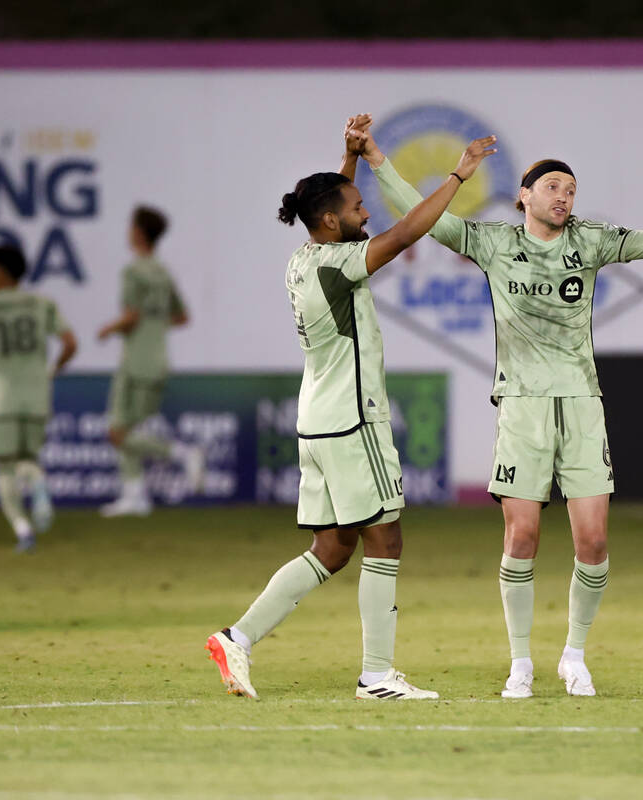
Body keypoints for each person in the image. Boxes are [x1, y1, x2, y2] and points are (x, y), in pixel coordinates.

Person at [355, 117, 643, 698]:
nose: (564, 197)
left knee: (593, 541)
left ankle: (574, 655)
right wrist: (375, 159)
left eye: (571, 190)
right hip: (521, 403)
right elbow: (425, 217)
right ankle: (520, 662)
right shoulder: (493, 243)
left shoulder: (588, 242)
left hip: (581, 402)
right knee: (521, 537)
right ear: (524, 195)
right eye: (553, 187)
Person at [205, 117, 497, 701]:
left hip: (317, 421)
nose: (368, 214)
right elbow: (410, 232)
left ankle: (236, 638)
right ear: (333, 221)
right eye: (359, 207)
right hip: (352, 421)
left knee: (333, 548)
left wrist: (350, 159)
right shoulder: (340, 265)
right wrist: (457, 177)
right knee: (385, 540)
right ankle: (377, 675)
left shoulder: (304, 257)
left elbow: (335, 211)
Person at [0, 246, 77, 552]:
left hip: (2, 397)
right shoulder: (41, 303)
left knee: (4, 466)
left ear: (1, 271)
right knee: (29, 460)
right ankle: (37, 482)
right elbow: (70, 343)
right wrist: (51, 371)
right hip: (37, 394)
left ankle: (23, 531)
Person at [97, 206, 204, 517]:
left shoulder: (133, 271)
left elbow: (130, 318)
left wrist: (109, 329)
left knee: (118, 431)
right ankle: (135, 495)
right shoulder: (163, 271)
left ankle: (182, 454)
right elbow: (182, 317)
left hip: (135, 360)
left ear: (140, 233)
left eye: (132, 227)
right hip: (158, 358)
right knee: (127, 429)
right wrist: (155, 326)